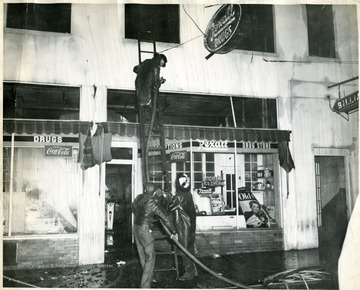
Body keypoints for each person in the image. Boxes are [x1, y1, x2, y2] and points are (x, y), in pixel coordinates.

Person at [132, 182, 177, 288]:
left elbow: (133, 207)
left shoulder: (139, 197)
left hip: (136, 228)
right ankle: (145, 286)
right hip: (144, 230)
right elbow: (165, 217)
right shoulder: (152, 203)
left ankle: (149, 277)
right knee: (150, 257)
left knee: (142, 255)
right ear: (154, 192)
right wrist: (173, 232)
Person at [171, 173, 198, 281]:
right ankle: (194, 270)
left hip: (183, 228)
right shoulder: (189, 194)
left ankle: (189, 273)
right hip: (190, 227)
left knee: (184, 250)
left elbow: (170, 209)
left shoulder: (179, 196)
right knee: (190, 249)